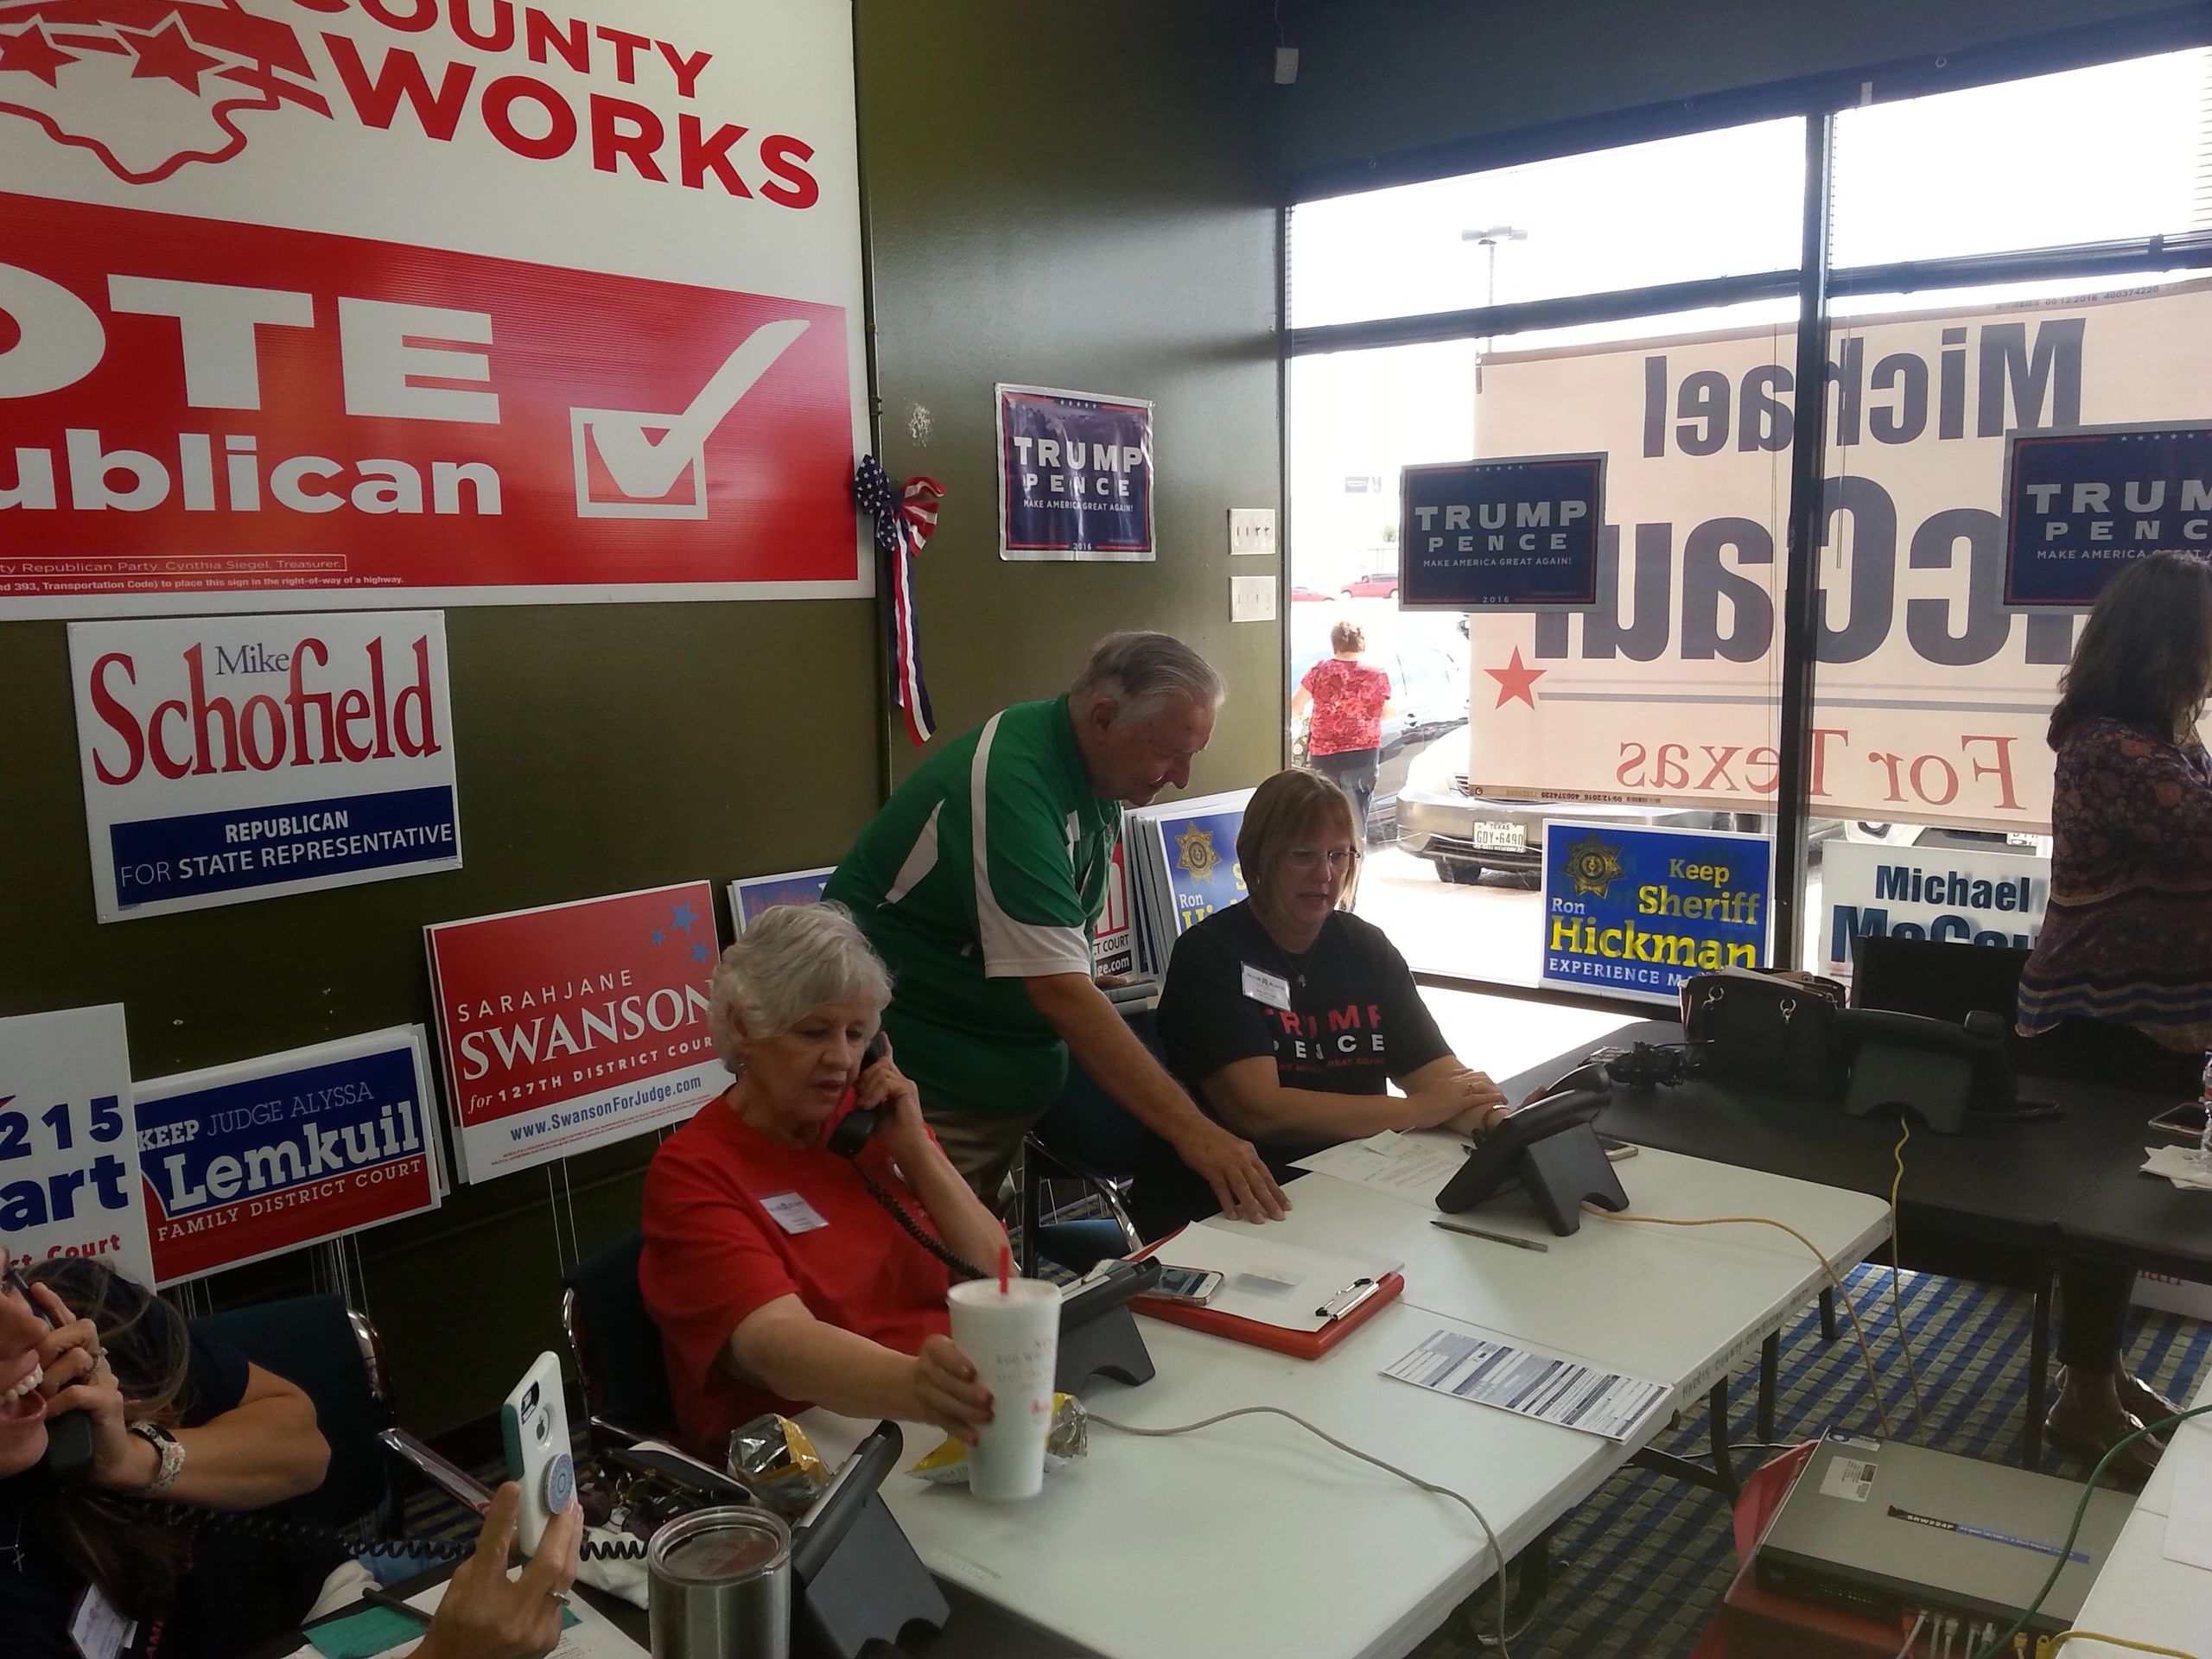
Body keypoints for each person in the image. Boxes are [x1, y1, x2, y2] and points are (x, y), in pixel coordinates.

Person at [824, 631, 1289, 1224]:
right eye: (1171, 752)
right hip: (925, 1092)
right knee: (924, 1286)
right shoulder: (1011, 786)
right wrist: (1196, 1134)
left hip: (996, 1093)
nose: (1181, 777)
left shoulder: (1095, 775)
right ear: (1103, 718)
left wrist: (1082, 974)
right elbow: (1059, 994)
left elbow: (1053, 952)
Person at [0, 1261, 581, 1659]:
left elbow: (305, 1452)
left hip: (326, 1602)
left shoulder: (87, 1314)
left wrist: (137, 1460)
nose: (25, 1326)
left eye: (4, 1278)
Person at [640, 902, 1012, 1461]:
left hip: (950, 1411)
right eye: (814, 1032)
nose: (841, 1059)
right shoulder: (692, 1172)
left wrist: (915, 1150)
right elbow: (773, 1345)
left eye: (857, 1033)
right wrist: (917, 1389)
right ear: (744, 1027)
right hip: (820, 1448)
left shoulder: (874, 1123)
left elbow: (1000, 1273)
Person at [2015, 550, 2212, 1478]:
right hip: (2098, 1025)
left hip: (2155, 1021)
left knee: (2128, 1211)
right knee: (2101, 1214)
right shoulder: (2110, 748)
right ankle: (2082, 1397)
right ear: (2166, 645)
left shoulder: (2169, 744)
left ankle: (2096, 1373)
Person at [1128, 768, 1512, 1237]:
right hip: (1233, 1205)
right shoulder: (1210, 954)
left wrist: (1502, 1122)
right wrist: (1415, 1111)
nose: (1325, 875)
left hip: (1350, 1184)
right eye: (1303, 856)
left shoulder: (1365, 946)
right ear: (1259, 860)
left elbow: (1441, 1081)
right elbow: (1262, 1112)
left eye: (1338, 855)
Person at [1291, 620, 1395, 847]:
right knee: (1356, 818)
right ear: (1362, 646)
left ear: (1334, 645)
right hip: (1363, 755)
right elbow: (1388, 713)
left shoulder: (1319, 670)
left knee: (1324, 814)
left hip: (1325, 755)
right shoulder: (1376, 674)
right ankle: (1353, 873)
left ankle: (1324, 868)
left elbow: (1293, 707)